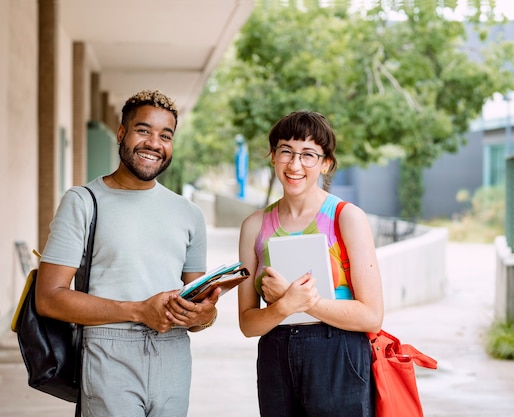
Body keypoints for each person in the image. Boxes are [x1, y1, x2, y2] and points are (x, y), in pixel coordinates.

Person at [35, 89, 219, 417]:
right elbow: (48, 298)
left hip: (173, 353)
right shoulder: (83, 202)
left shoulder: (189, 213)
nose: (154, 143)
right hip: (109, 350)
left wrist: (205, 317)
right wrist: (137, 311)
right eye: (143, 130)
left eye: (166, 135)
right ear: (122, 133)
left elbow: (198, 304)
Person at [237, 110, 384, 417]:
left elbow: (372, 316)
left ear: (325, 163)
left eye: (308, 155)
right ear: (273, 156)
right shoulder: (254, 226)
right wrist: (283, 307)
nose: (294, 164)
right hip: (275, 355)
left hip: (338, 353)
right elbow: (248, 324)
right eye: (286, 152)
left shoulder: (347, 217)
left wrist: (304, 302)